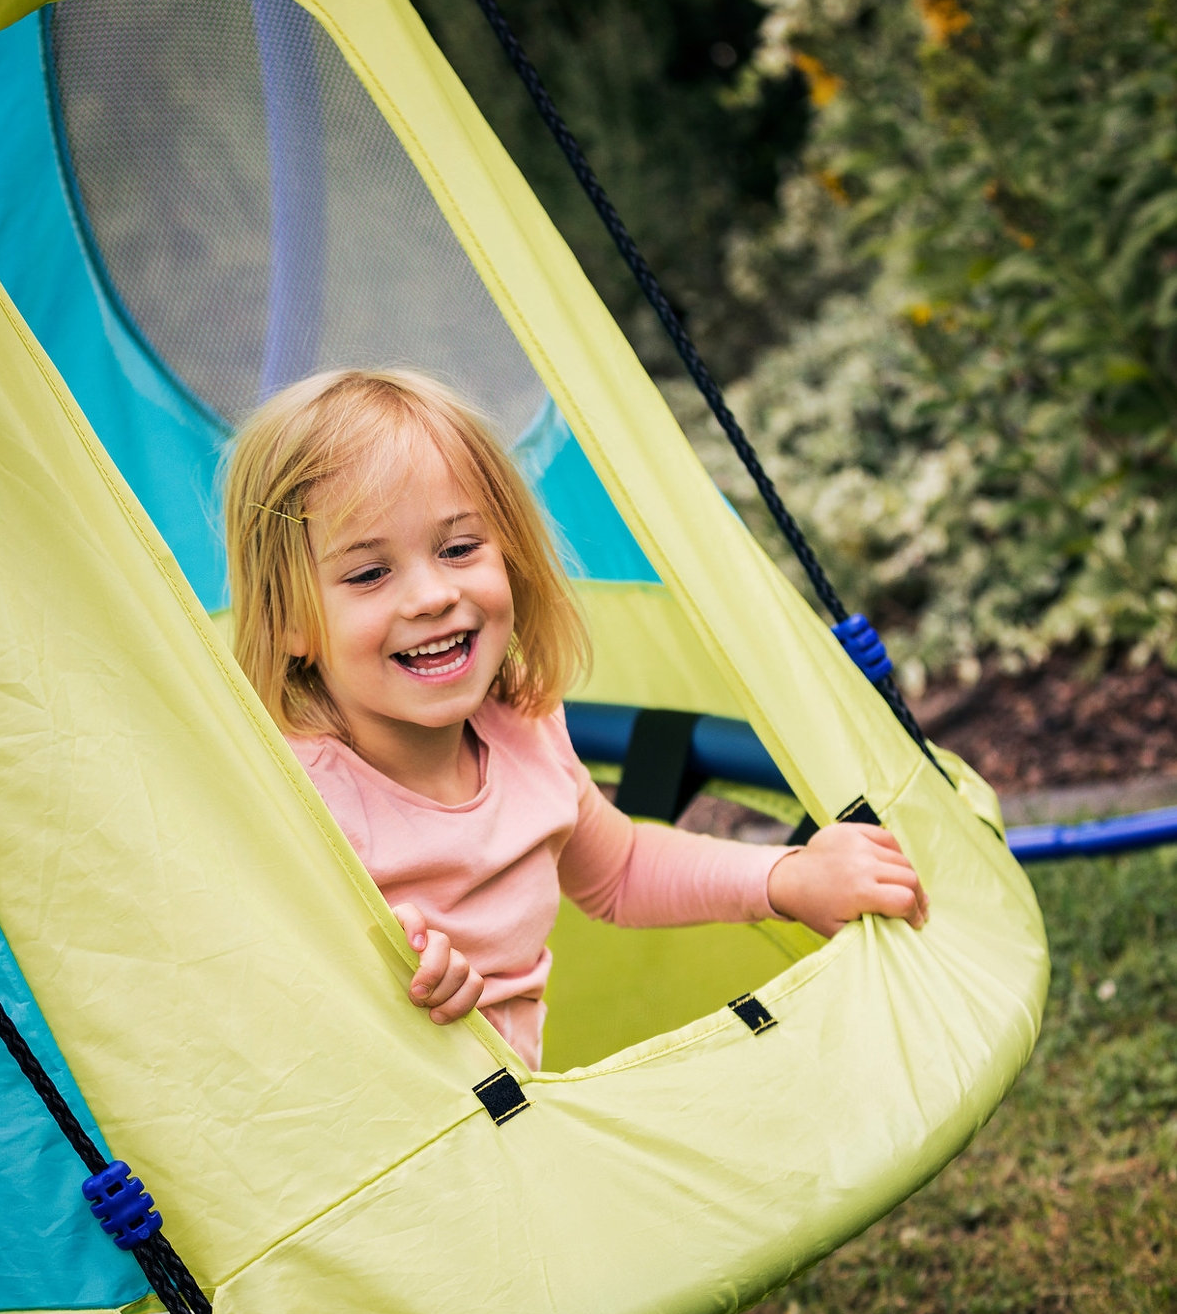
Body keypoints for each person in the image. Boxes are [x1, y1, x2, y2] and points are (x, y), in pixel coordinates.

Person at [225, 368, 928, 1071]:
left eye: (459, 548)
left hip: (521, 1110)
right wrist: (367, 974)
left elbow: (620, 868)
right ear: (289, 620)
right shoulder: (296, 796)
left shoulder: (523, 727)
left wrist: (789, 877)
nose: (433, 595)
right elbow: (241, 994)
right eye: (369, 574)